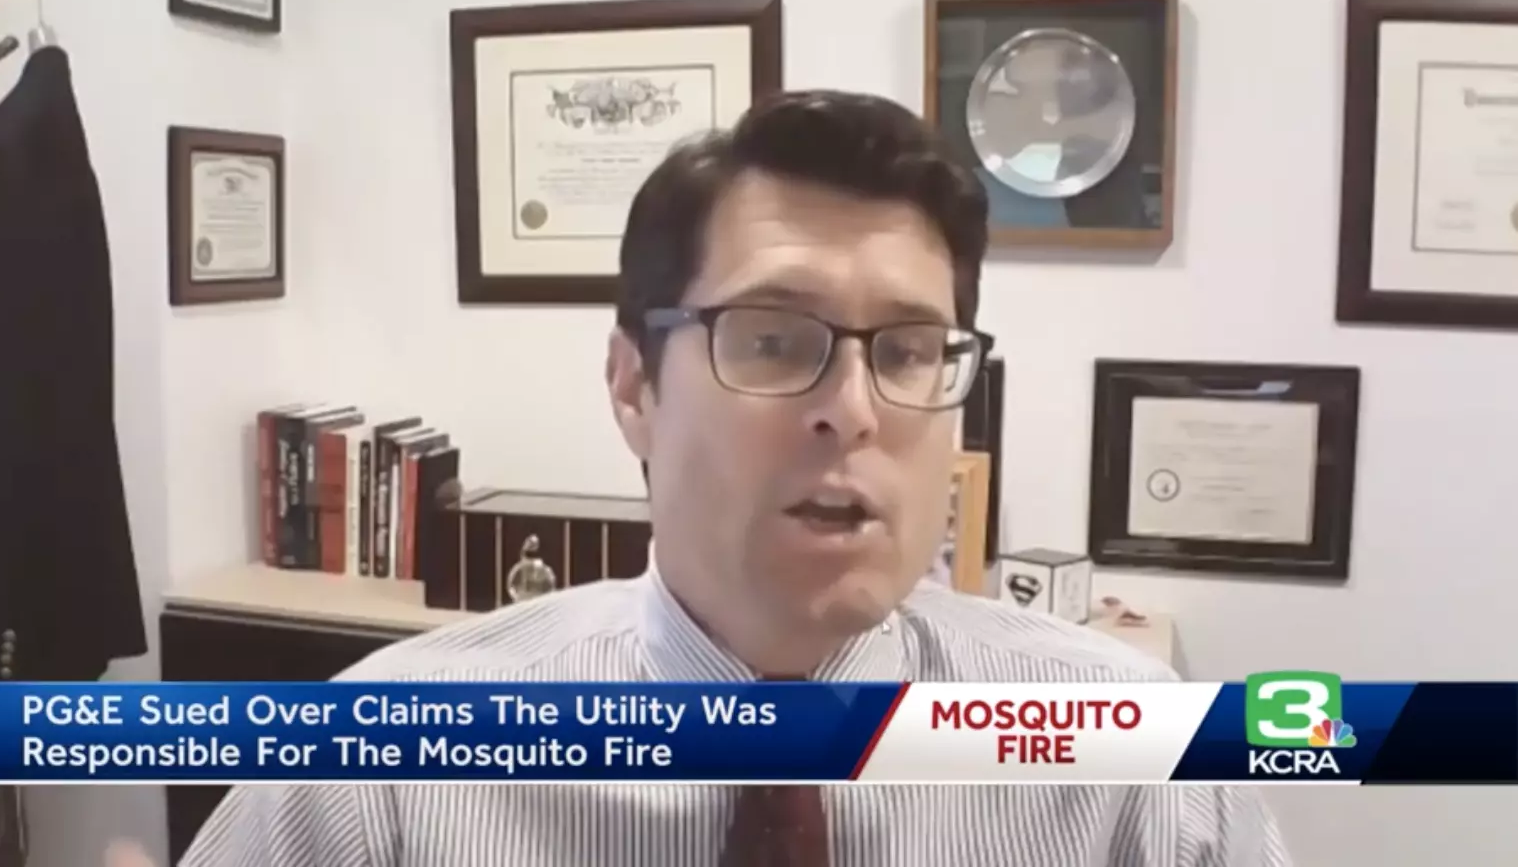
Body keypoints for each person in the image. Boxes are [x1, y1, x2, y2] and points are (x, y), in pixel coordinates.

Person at [181, 90, 1291, 866]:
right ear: (634, 387)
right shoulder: (377, 770)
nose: (853, 408)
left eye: (908, 351)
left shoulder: (1144, 768)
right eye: (770, 340)